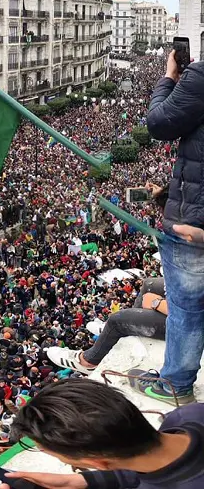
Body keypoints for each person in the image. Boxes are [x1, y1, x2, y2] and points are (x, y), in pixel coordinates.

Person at [0, 379, 204, 489]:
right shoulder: (188, 416)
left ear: (97, 461)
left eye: (67, 461)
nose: (68, 465)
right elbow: (140, 466)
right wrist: (78, 482)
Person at [137, 49, 204, 403]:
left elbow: (159, 123)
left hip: (194, 223)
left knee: (187, 307)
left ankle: (175, 383)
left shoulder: (201, 76)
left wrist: (169, 77)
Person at [45, 278, 167, 373]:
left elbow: (185, 313)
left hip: (182, 319)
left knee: (117, 320)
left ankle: (89, 361)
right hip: (183, 300)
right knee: (149, 284)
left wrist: (157, 303)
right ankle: (130, 325)